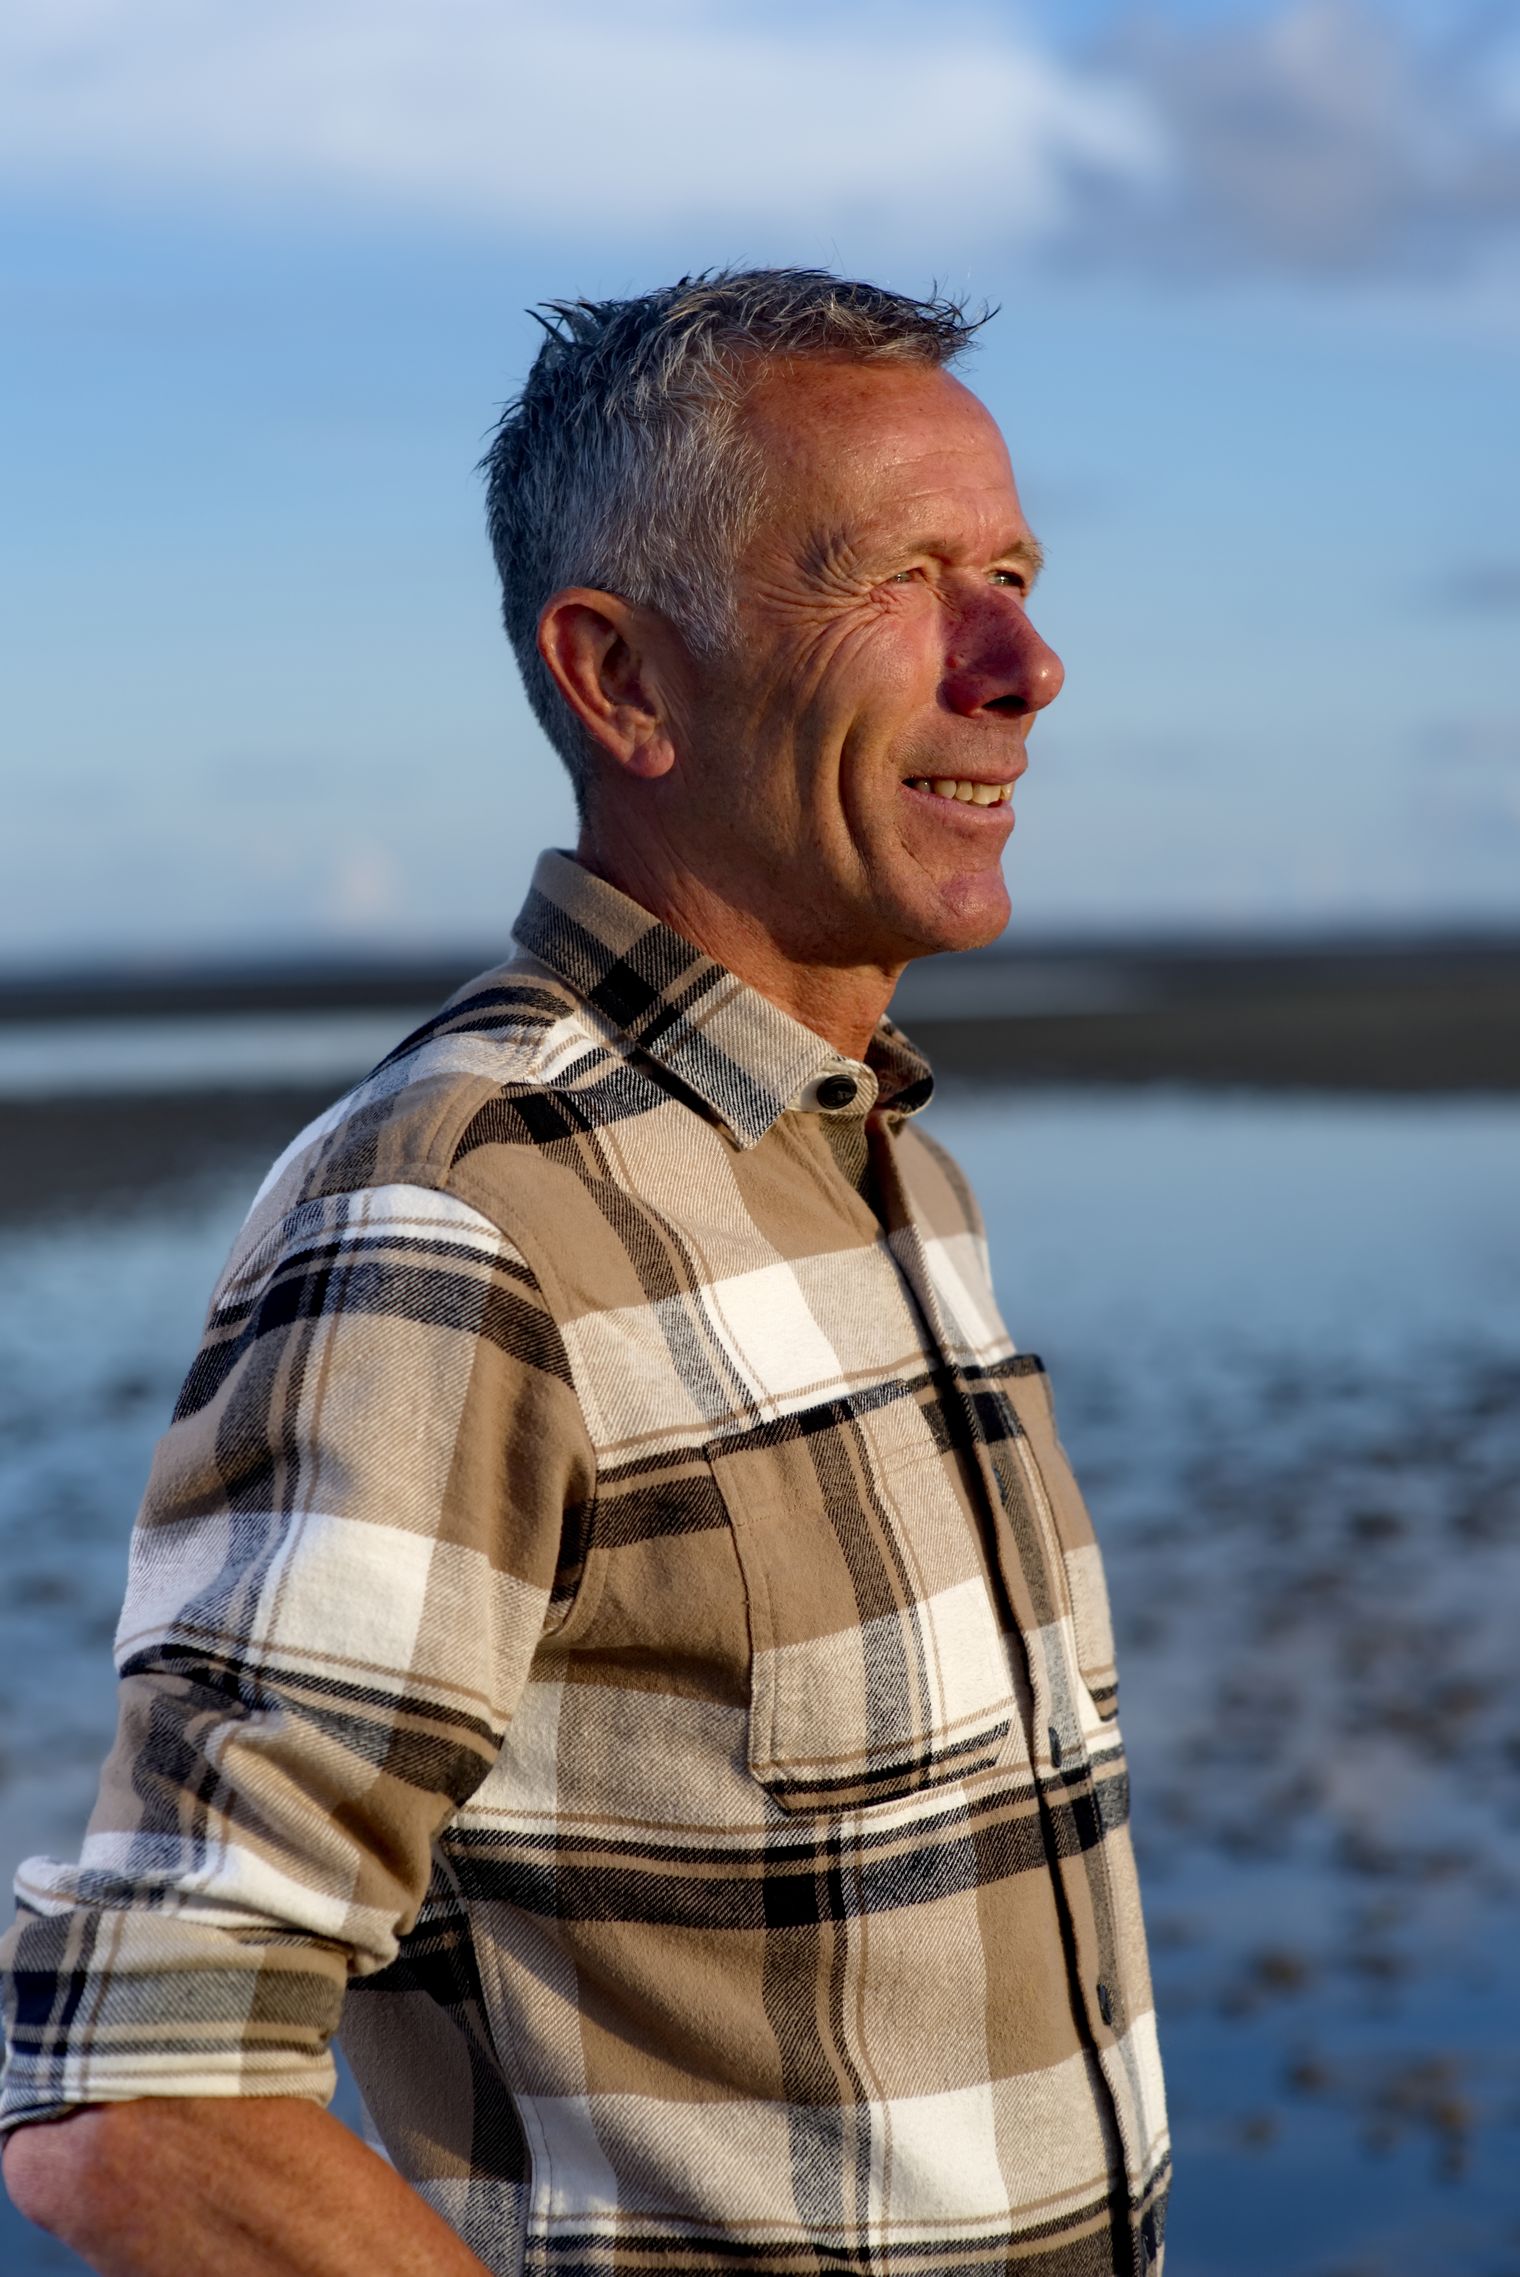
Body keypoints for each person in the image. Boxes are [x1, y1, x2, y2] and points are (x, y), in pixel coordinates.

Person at [1, 269, 1168, 2276]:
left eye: (1015, 567)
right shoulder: (458, 1217)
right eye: (900, 574)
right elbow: (139, 2095)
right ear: (625, 679)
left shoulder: (884, 1165)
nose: (1025, 661)